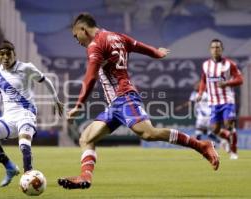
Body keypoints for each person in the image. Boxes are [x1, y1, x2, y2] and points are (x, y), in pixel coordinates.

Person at [57, 13, 219, 190]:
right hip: (115, 105)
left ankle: (202, 145)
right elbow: (137, 45)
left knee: (149, 134)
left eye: (76, 35)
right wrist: (156, 53)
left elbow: (90, 78)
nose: (76, 40)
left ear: (83, 29)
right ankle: (84, 177)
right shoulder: (117, 36)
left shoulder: (95, 45)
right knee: (86, 138)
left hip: (124, 97)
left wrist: (78, 105)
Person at [0, 40, 64, 187]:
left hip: (26, 113)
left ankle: (28, 175)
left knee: (24, 144)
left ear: (14, 54)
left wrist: (55, 100)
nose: (5, 57)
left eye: (8, 54)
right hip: (8, 118)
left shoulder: (26, 68)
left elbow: (45, 81)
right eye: (2, 54)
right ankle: (9, 167)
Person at [197, 39, 243, 160]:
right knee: (214, 129)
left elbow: (240, 79)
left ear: (222, 49)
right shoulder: (206, 65)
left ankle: (233, 151)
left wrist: (227, 83)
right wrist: (201, 93)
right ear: (210, 50)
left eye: (218, 47)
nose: (215, 49)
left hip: (227, 100)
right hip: (213, 102)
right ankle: (226, 138)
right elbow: (203, 80)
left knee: (228, 124)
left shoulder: (229, 64)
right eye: (213, 47)